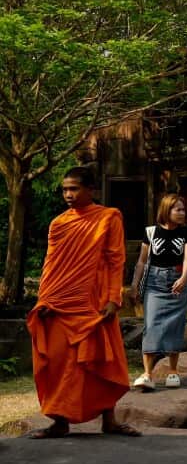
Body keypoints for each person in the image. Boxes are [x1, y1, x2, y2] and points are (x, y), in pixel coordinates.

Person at [25, 166, 138, 438]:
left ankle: (109, 420)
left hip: (94, 300)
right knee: (57, 360)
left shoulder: (109, 217)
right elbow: (50, 264)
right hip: (59, 299)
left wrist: (113, 298)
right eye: (65, 189)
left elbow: (115, 260)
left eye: (74, 188)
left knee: (101, 357)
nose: (68, 194)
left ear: (91, 190)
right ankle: (59, 421)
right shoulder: (59, 223)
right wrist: (44, 299)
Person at [130, 193, 187, 391]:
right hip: (154, 282)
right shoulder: (151, 232)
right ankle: (148, 374)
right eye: (178, 209)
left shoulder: (186, 233)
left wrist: (184, 278)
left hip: (177, 281)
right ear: (167, 210)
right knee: (151, 325)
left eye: (183, 209)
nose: (182, 213)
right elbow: (142, 261)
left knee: (175, 325)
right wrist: (134, 284)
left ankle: (173, 371)